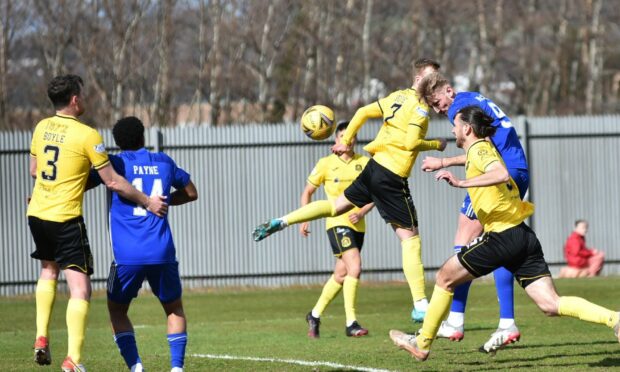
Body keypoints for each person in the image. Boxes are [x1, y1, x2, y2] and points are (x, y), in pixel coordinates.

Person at [388, 105, 620, 361]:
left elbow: (499, 173)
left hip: (502, 236)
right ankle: (615, 319)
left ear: (467, 128)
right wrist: (444, 162)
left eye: (455, 123)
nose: (452, 128)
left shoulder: (479, 149)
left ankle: (421, 343)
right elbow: (479, 161)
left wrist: (461, 182)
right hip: (522, 236)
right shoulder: (483, 150)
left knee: (444, 277)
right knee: (550, 304)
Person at [252, 58, 447, 322]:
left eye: (436, 79)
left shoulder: (397, 97)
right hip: (392, 177)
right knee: (411, 240)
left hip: (373, 168)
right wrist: (437, 144)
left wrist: (345, 140)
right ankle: (421, 303)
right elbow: (412, 141)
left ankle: (283, 220)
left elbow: (363, 112)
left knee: (335, 206)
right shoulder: (421, 107)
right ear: (418, 80)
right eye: (430, 79)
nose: (434, 84)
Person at [27, 75, 167, 372]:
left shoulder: (41, 127)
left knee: (48, 270)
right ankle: (73, 360)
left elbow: (35, 170)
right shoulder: (88, 135)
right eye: (83, 94)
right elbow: (114, 182)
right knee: (80, 290)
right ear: (75, 100)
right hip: (65, 217)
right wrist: (147, 201)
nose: (85, 98)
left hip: (38, 212)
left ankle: (41, 337)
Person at [417, 72, 528, 351]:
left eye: (437, 102)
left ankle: (456, 321)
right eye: (433, 106)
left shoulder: (460, 108)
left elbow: (481, 151)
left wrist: (444, 162)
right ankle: (504, 323)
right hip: (516, 169)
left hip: (502, 172)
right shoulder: (472, 99)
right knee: (499, 238)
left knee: (464, 239)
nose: (438, 109)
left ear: (449, 91)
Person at [90, 117, 198, 372]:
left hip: (127, 257)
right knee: (174, 309)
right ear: (143, 137)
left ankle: (136, 367)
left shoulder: (114, 164)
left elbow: (78, 185)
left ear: (117, 142)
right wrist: (163, 202)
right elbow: (192, 192)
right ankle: (176, 369)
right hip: (162, 251)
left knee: (116, 310)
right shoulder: (163, 161)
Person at [300, 122, 374, 338]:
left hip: (358, 225)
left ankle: (314, 314)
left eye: (350, 135)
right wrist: (305, 216)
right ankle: (351, 322)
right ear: (336, 140)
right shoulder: (325, 164)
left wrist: (361, 213)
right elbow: (308, 192)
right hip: (336, 223)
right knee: (355, 267)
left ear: (355, 139)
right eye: (342, 136)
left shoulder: (365, 163)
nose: (347, 139)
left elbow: (374, 195)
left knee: (341, 275)